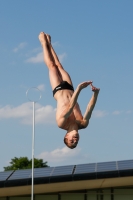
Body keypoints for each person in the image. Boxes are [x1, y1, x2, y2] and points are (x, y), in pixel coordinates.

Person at [38, 32, 100, 149]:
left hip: (58, 89)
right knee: (59, 65)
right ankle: (50, 44)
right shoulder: (83, 124)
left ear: (66, 136)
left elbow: (70, 107)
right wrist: (95, 94)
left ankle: (43, 42)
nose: (75, 141)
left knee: (52, 66)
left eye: (71, 141)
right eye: (76, 142)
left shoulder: (62, 124)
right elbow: (89, 109)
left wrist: (80, 89)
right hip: (70, 88)